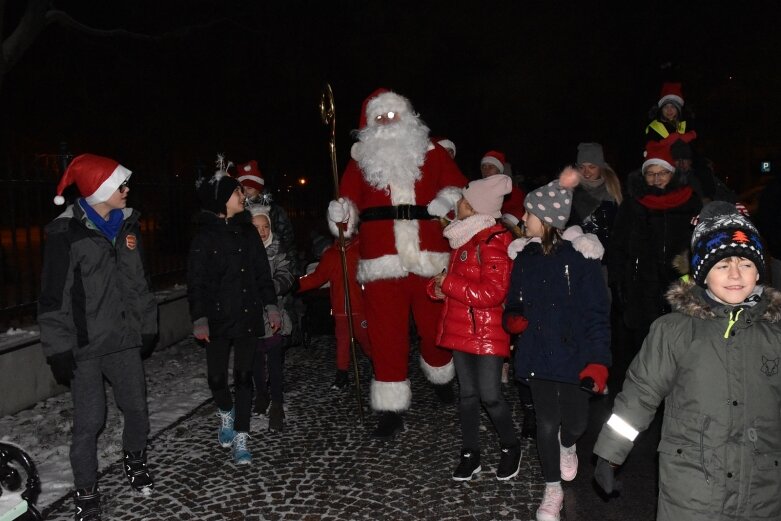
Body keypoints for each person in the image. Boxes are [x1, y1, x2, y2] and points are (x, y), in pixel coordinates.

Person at [593, 201, 779, 521]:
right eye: (722, 265)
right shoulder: (674, 331)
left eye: (745, 264)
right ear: (702, 274)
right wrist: (610, 454)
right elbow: (640, 396)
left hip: (760, 489)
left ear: (759, 271)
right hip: (692, 488)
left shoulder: (774, 334)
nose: (735, 274)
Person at [327, 88, 468, 439]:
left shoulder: (432, 151)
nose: (389, 122)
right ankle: (390, 408)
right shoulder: (360, 161)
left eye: (394, 115)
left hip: (428, 257)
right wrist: (340, 214)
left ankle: (440, 374)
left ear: (407, 116)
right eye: (381, 117)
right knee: (385, 334)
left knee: (435, 328)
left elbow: (458, 189)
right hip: (380, 261)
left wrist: (445, 201)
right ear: (368, 124)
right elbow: (346, 208)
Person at [39, 153, 158, 520]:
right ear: (100, 190)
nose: (127, 190)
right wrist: (58, 346)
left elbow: (139, 284)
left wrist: (147, 323)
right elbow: (52, 296)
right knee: (91, 421)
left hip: (123, 339)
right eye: (120, 185)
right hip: (85, 347)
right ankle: (86, 493)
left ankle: (135, 462)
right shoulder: (66, 234)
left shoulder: (127, 226)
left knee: (137, 408)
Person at [503, 167, 611, 521]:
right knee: (545, 423)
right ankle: (552, 491)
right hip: (538, 351)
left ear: (547, 219)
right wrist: (512, 318)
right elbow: (514, 302)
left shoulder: (582, 259)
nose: (522, 217)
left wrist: (599, 361)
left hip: (575, 355)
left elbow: (596, 313)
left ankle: (569, 445)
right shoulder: (525, 259)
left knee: (575, 424)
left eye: (529, 213)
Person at [426, 175, 521, 481]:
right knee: (467, 395)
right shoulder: (462, 236)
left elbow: (493, 294)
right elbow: (448, 279)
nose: (458, 203)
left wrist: (449, 284)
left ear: (478, 208)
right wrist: (437, 288)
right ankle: (470, 454)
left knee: (490, 395)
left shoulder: (495, 241)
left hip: (488, 332)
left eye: (464, 200)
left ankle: (510, 446)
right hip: (461, 329)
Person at [187, 157, 280, 465]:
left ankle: (241, 435)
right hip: (216, 319)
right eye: (236, 192)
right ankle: (225, 412)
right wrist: (199, 316)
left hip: (247, 316)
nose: (243, 196)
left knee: (243, 377)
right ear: (221, 200)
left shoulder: (248, 232)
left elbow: (261, 272)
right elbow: (196, 281)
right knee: (216, 379)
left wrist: (270, 306)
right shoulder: (204, 237)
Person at [607, 136, 702, 350]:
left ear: (673, 173)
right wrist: (620, 283)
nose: (656, 178)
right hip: (641, 287)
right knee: (647, 347)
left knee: (682, 346)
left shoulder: (689, 201)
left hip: (681, 286)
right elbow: (618, 245)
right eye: (650, 173)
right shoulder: (633, 204)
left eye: (662, 173)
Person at [297, 233, 372, 390]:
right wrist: (296, 285)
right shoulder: (331, 255)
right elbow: (317, 277)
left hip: (360, 308)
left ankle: (378, 366)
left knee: (366, 341)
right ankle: (342, 376)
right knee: (342, 343)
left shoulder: (362, 251)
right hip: (340, 310)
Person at [247, 204, 295, 432]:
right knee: (256, 359)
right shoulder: (243, 251)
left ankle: (277, 402)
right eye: (256, 227)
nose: (262, 232)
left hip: (274, 312)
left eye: (265, 227)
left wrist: (271, 287)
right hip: (252, 317)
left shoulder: (278, 250)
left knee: (275, 360)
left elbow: (286, 275)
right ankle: (261, 395)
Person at [236, 160, 299, 276]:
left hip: (275, 267)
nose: (245, 193)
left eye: (249, 188)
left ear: (258, 189)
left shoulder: (275, 211)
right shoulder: (238, 212)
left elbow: (288, 242)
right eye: (242, 189)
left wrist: (291, 272)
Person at [569, 142, 622, 253]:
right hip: (575, 256)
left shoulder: (613, 191)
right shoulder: (569, 191)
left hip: (606, 259)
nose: (586, 172)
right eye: (582, 167)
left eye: (592, 167)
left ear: (600, 167)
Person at [480, 150, 526, 228]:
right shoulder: (476, 190)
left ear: (499, 171)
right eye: (483, 167)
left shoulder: (512, 192)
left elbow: (516, 215)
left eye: (491, 167)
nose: (486, 170)